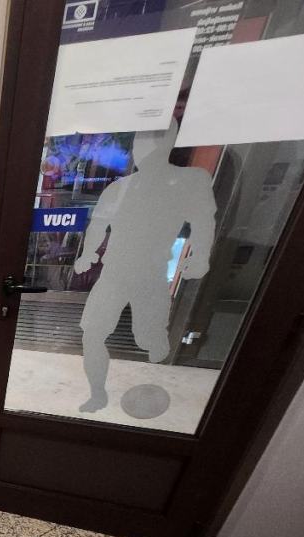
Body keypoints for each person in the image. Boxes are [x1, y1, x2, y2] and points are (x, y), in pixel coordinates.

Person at [73, 120, 216, 412]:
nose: (144, 147)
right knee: (93, 333)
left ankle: (155, 359)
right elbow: (98, 225)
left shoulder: (190, 180)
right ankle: (98, 394)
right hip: (114, 272)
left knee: (149, 340)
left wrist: (201, 256)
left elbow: (203, 221)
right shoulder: (119, 188)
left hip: (151, 274)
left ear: (169, 142)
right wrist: (87, 254)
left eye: (155, 139)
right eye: (141, 140)